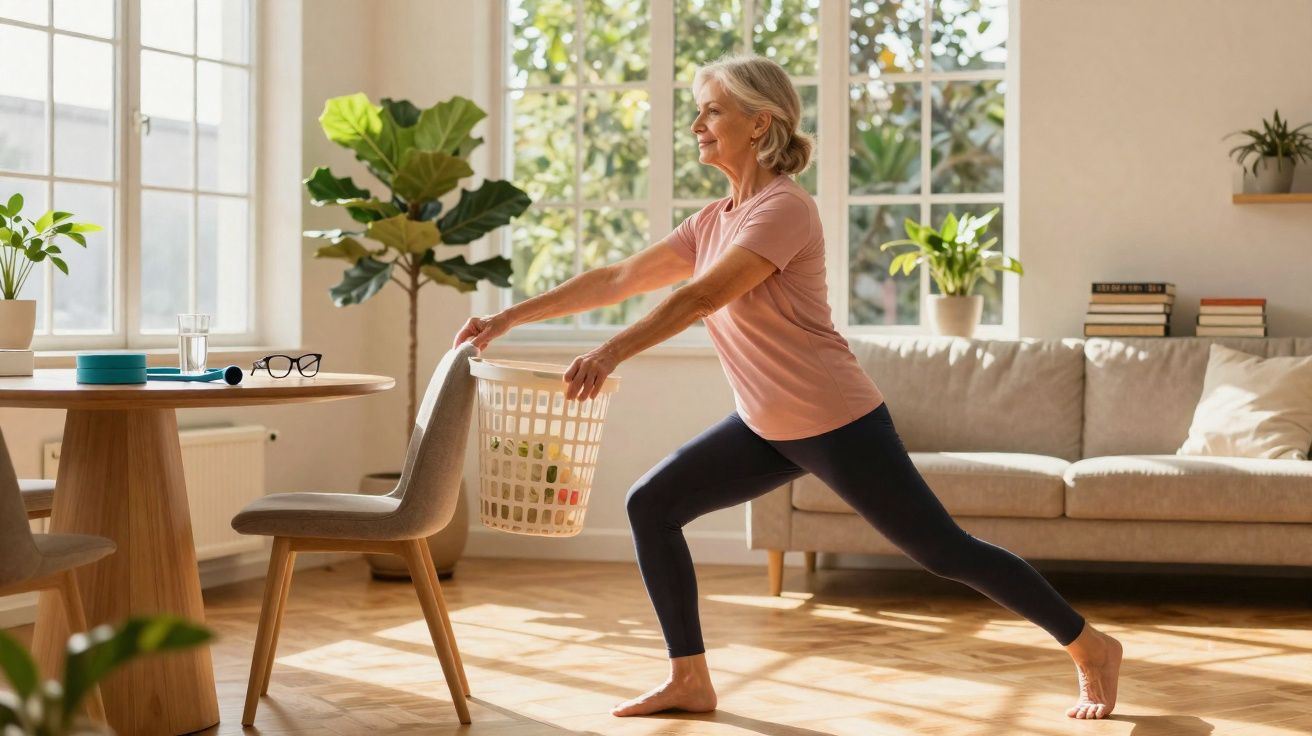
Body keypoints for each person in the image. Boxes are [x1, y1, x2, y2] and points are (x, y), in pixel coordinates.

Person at [453, 53, 1123, 721]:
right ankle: (689, 678)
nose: (697, 124)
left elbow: (703, 296)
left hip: (836, 420)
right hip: (764, 424)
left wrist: (610, 352)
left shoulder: (784, 210)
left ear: (758, 122)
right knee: (652, 505)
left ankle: (1090, 645)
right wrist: (507, 318)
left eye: (712, 109)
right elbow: (620, 278)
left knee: (944, 552)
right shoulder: (715, 219)